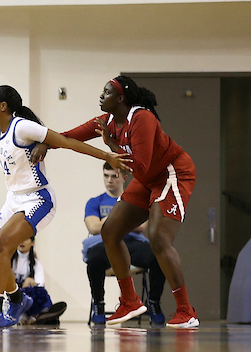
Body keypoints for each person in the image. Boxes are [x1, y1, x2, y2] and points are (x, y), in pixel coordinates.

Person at [0, 86, 128, 328]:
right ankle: (18, 298)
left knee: (2, 245)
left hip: (38, 199)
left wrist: (106, 156)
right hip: (13, 199)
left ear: (3, 106)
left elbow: (67, 141)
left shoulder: (22, 127)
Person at [40, 76, 199, 328]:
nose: (101, 97)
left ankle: (185, 309)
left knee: (158, 237)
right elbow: (71, 136)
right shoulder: (107, 121)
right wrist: (45, 144)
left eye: (106, 93)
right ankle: (130, 300)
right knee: (110, 230)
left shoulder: (142, 118)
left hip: (171, 172)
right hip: (147, 177)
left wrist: (111, 144)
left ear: (121, 98)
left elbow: (142, 168)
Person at [83, 165, 166, 325]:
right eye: (106, 176)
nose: (109, 180)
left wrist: (106, 221)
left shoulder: (136, 199)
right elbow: (93, 227)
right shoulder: (95, 201)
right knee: (93, 258)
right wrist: (122, 217)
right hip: (104, 242)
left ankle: (154, 303)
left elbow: (141, 226)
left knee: (159, 255)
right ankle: (98, 304)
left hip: (133, 242)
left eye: (114, 176)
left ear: (124, 178)